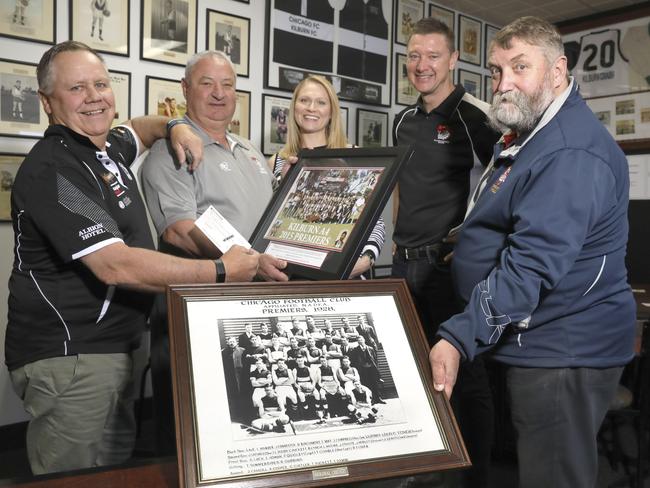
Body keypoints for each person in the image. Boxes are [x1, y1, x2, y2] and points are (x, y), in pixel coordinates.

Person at [4, 41, 259, 476]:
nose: (95, 97)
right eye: (77, 88)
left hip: (117, 349)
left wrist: (176, 124)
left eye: (101, 84)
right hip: (74, 360)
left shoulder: (106, 149)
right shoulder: (56, 170)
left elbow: (140, 128)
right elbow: (115, 264)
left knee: (116, 473)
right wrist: (220, 270)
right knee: (72, 479)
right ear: (48, 102)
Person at [429, 17, 636, 488]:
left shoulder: (569, 151)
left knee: (554, 476)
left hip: (566, 348)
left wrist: (461, 335)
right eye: (498, 71)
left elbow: (533, 264)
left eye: (520, 67)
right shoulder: (536, 135)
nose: (504, 84)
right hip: (540, 341)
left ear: (558, 71)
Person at [140, 50, 289, 454]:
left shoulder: (252, 152)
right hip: (200, 308)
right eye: (207, 84)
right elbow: (180, 230)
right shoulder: (170, 150)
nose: (219, 94)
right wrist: (250, 261)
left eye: (228, 85)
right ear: (186, 89)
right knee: (195, 431)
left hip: (259, 305)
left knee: (250, 419)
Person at [391, 17, 499, 487]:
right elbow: (396, 194)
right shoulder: (403, 120)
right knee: (411, 371)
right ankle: (426, 467)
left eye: (433, 56)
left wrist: (476, 242)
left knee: (465, 377)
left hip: (448, 269)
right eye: (414, 55)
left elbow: (506, 183)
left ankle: (477, 478)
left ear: (453, 59)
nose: (422, 65)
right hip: (402, 264)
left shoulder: (478, 117)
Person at [268, 74, 385, 278]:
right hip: (293, 274)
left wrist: (365, 259)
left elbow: (376, 221)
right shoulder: (277, 161)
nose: (311, 108)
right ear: (294, 107)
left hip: (346, 275)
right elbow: (271, 225)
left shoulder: (355, 157)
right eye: (304, 100)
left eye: (321, 102)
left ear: (331, 112)